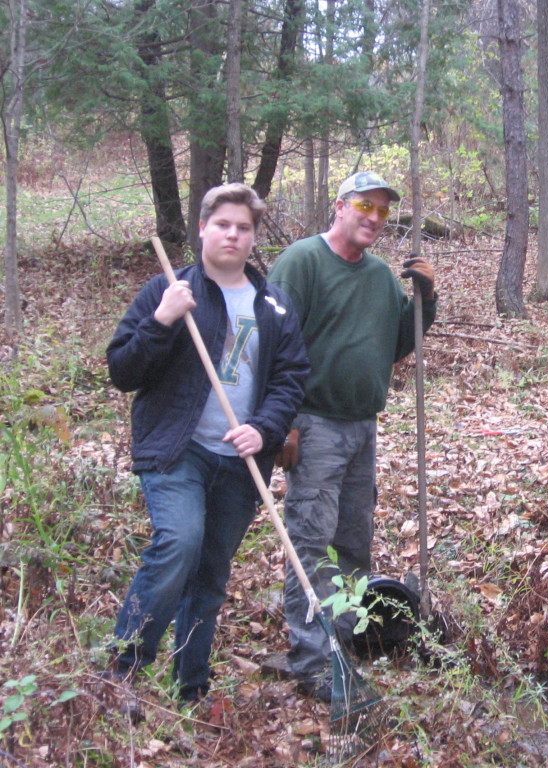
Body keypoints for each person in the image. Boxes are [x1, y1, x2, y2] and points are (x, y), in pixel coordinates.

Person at [106, 183, 309, 708]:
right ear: (203, 228)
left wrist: (263, 429)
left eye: (244, 228)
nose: (233, 236)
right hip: (179, 450)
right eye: (223, 225)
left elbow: (291, 377)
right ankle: (121, 672)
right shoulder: (166, 289)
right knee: (178, 543)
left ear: (253, 237)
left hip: (242, 461)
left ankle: (190, 686)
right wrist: (163, 320)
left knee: (210, 574)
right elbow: (122, 370)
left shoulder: (274, 303)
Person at [267, 171, 437, 700]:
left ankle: (341, 643)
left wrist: (425, 296)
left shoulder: (382, 277)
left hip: (363, 426)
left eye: (383, 211)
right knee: (311, 543)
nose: (373, 218)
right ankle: (311, 658)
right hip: (313, 424)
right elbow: (273, 341)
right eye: (365, 205)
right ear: (339, 206)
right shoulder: (302, 262)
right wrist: (281, 421)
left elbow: (397, 343)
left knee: (353, 543)